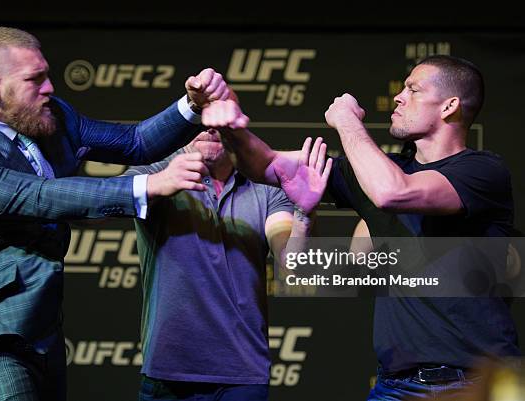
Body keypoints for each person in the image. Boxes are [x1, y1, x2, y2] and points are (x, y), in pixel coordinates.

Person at [0, 26, 230, 401]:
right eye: (34, 79)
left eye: (47, 74)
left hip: (45, 327)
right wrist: (146, 186)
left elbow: (133, 144)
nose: (50, 87)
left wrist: (191, 105)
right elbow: (33, 197)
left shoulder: (51, 117)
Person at [201, 55, 519, 399]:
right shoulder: (382, 171)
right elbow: (268, 165)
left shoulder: (482, 171)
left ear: (449, 106)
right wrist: (232, 127)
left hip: (472, 384)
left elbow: (392, 192)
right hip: (394, 386)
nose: (398, 97)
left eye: (412, 90)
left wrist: (346, 122)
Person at [124, 111, 332, 399]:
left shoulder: (266, 188)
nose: (209, 128)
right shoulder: (154, 175)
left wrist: (305, 213)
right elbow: (93, 211)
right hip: (169, 372)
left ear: (237, 129)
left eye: (219, 122)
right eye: (199, 119)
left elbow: (293, 265)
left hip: (242, 376)